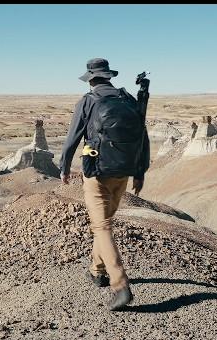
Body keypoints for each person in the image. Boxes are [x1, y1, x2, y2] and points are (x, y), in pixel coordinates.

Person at [60, 58, 150, 311]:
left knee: (101, 227)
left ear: (90, 79)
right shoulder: (128, 99)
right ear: (108, 76)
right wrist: (140, 172)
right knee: (104, 225)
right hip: (123, 172)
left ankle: (120, 285)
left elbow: (71, 140)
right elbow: (142, 136)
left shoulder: (88, 101)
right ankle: (97, 269)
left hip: (97, 173)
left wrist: (64, 168)